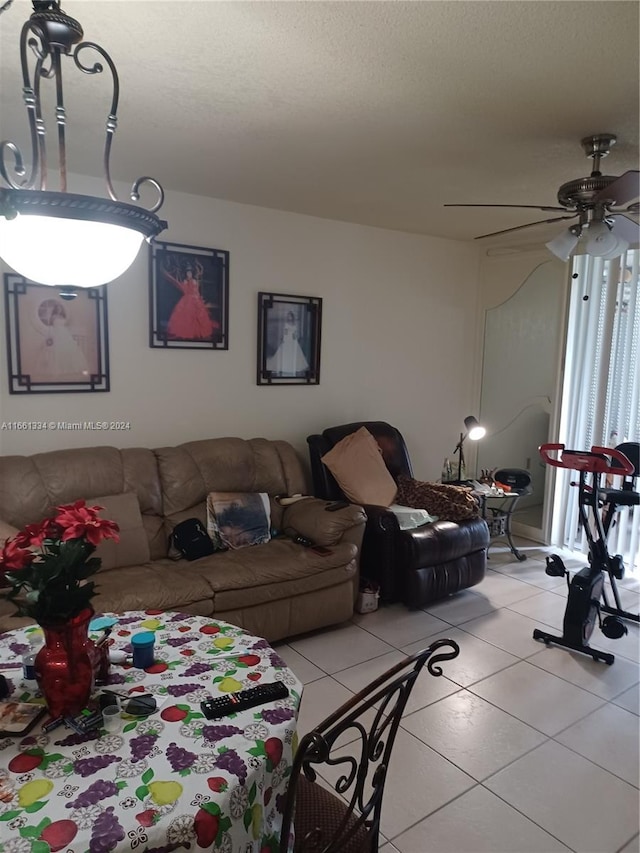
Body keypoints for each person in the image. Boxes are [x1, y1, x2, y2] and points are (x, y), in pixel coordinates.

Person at [31, 300, 90, 377]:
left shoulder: (63, 316)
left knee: (68, 349)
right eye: (58, 308)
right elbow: (50, 327)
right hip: (56, 333)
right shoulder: (53, 317)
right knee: (56, 349)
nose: (59, 309)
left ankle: (69, 368)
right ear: (55, 309)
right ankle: (57, 369)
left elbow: (64, 325)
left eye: (60, 308)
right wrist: (50, 336)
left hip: (65, 333)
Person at [162, 263, 218, 340]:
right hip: (188, 299)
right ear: (186, 274)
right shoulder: (185, 281)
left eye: (190, 273)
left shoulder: (195, 281)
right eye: (188, 273)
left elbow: (196, 290)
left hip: (195, 299)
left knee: (199, 316)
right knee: (186, 315)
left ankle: (200, 332)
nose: (189, 274)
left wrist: (198, 298)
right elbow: (185, 290)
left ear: (191, 274)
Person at [267, 310, 309, 376]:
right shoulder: (286, 325)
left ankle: (292, 367)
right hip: (287, 340)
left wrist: (295, 339)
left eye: (290, 316)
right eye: (288, 316)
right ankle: (285, 367)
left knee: (295, 353)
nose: (289, 318)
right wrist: (285, 340)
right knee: (285, 353)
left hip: (293, 340)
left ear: (292, 317)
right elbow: (285, 333)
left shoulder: (294, 325)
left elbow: (295, 334)